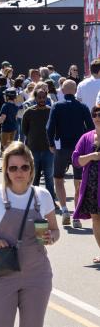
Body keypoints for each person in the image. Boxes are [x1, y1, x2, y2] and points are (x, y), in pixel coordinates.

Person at [0, 142, 59, 327]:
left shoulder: (43, 196)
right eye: (13, 167)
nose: (19, 172)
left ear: (31, 169)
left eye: (24, 167)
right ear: (6, 170)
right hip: (2, 274)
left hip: (37, 275)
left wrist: (51, 237)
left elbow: (55, 230)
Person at [47, 79, 93, 227]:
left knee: (58, 179)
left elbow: (50, 128)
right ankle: (76, 216)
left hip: (61, 147)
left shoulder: (57, 106)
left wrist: (51, 144)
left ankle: (65, 210)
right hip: (79, 148)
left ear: (61, 89)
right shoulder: (82, 107)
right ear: (75, 91)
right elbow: (91, 127)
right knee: (78, 182)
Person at [71, 106, 100, 263]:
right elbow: (76, 161)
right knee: (96, 218)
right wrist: (92, 156)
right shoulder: (86, 137)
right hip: (91, 186)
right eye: (94, 114)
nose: (97, 117)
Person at [21, 90, 56, 204]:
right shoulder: (29, 112)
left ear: (46, 97)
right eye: (39, 97)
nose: (41, 99)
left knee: (49, 178)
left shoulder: (51, 111)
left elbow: (55, 128)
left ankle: (50, 201)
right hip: (33, 150)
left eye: (43, 97)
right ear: (35, 98)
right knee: (33, 177)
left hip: (48, 151)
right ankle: (32, 201)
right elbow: (24, 130)